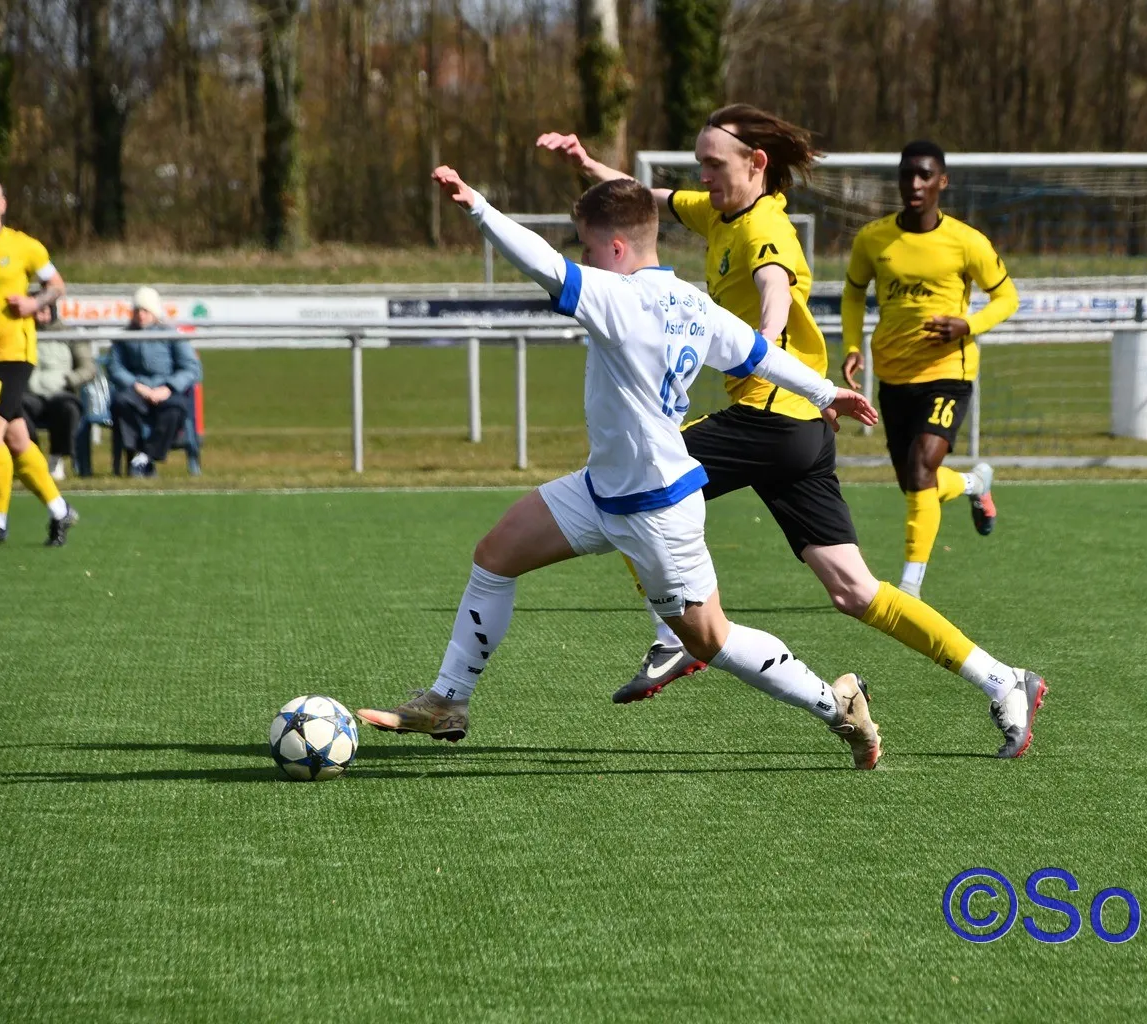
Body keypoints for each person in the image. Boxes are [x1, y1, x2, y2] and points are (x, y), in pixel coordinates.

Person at [538, 106, 1046, 758]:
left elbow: (774, 286)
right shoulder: (717, 212)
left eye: (713, 164)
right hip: (798, 431)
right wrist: (587, 164)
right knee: (854, 590)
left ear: (756, 164)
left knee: (633, 481)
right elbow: (644, 202)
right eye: (698, 164)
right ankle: (1002, 679)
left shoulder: (767, 226)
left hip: (771, 417)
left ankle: (674, 639)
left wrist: (764, 340)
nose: (701, 175)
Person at [359, 168, 886, 769]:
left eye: (586, 247)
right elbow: (761, 354)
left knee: (710, 639)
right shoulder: (695, 303)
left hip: (658, 510)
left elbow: (542, 264)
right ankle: (447, 701)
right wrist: (824, 392)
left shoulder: (619, 297)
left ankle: (838, 706)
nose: (581, 259)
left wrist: (479, 207)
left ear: (615, 247)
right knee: (495, 554)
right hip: (602, 489)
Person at [841, 140, 1018, 597]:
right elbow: (854, 293)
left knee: (921, 467)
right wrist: (852, 345)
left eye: (925, 175)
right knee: (913, 482)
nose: (915, 184)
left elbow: (1007, 297)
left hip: (948, 373)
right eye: (907, 175)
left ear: (943, 181)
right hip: (893, 376)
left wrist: (967, 325)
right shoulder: (873, 238)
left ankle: (909, 587)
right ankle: (973, 483)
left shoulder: (966, 241)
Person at [0, 172, 78, 547]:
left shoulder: (23, 247)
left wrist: (34, 303)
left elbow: (56, 286)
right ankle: (60, 511)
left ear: (3, 204)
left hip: (12, 352)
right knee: (15, 438)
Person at [107, 286, 200, 478]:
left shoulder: (171, 335)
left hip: (166, 390)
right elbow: (115, 367)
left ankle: (145, 457)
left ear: (154, 312)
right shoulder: (124, 338)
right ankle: (136, 454)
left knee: (176, 409)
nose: (141, 315)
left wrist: (169, 387)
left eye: (145, 311)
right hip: (137, 390)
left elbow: (191, 368)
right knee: (121, 403)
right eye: (137, 310)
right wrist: (137, 386)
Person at [23, 300, 96, 481]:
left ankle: (56, 457)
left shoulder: (69, 335)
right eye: (36, 310)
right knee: (16, 407)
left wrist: (70, 380)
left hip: (61, 391)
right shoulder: (22, 333)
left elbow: (88, 368)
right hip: (31, 394)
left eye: (44, 310)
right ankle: (33, 457)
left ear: (53, 311)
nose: (40, 314)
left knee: (68, 408)